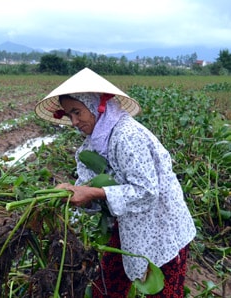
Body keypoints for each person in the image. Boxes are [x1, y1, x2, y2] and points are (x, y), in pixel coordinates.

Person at [34, 68, 196, 297]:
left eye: (77, 112)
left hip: (163, 227)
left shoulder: (127, 136)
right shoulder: (93, 145)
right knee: (107, 287)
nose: (74, 121)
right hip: (128, 225)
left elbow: (147, 192)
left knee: (164, 292)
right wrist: (69, 194)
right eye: (69, 115)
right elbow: (88, 189)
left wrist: (91, 193)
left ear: (96, 106)